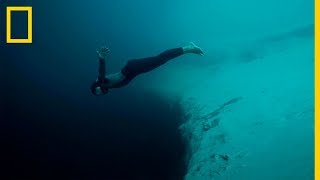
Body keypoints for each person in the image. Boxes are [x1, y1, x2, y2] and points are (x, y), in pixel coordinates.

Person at [90, 42, 204, 96]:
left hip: (133, 67)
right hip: (135, 69)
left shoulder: (102, 82)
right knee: (161, 60)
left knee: (161, 58)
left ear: (97, 86)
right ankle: (189, 49)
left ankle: (189, 48)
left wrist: (101, 59)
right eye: (97, 94)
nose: (99, 92)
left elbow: (101, 72)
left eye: (96, 90)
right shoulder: (108, 87)